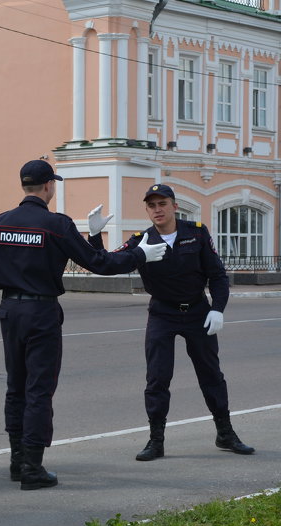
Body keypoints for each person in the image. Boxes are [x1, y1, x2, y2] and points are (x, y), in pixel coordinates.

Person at [0, 160, 163, 489]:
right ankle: (33, 467)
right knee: (39, 390)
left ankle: (18, 460)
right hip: (41, 314)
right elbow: (98, 263)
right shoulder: (55, 224)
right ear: (48, 187)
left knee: (16, 388)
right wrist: (139, 255)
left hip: (10, 312)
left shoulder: (2, 222)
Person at [88, 183, 254, 461]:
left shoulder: (196, 233)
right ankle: (156, 440)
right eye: (151, 205)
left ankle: (225, 433)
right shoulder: (142, 240)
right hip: (163, 314)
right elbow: (107, 264)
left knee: (211, 375)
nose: (157, 210)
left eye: (162, 203)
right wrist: (94, 235)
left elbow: (217, 275)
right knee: (157, 378)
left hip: (198, 312)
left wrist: (218, 309)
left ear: (174, 206)